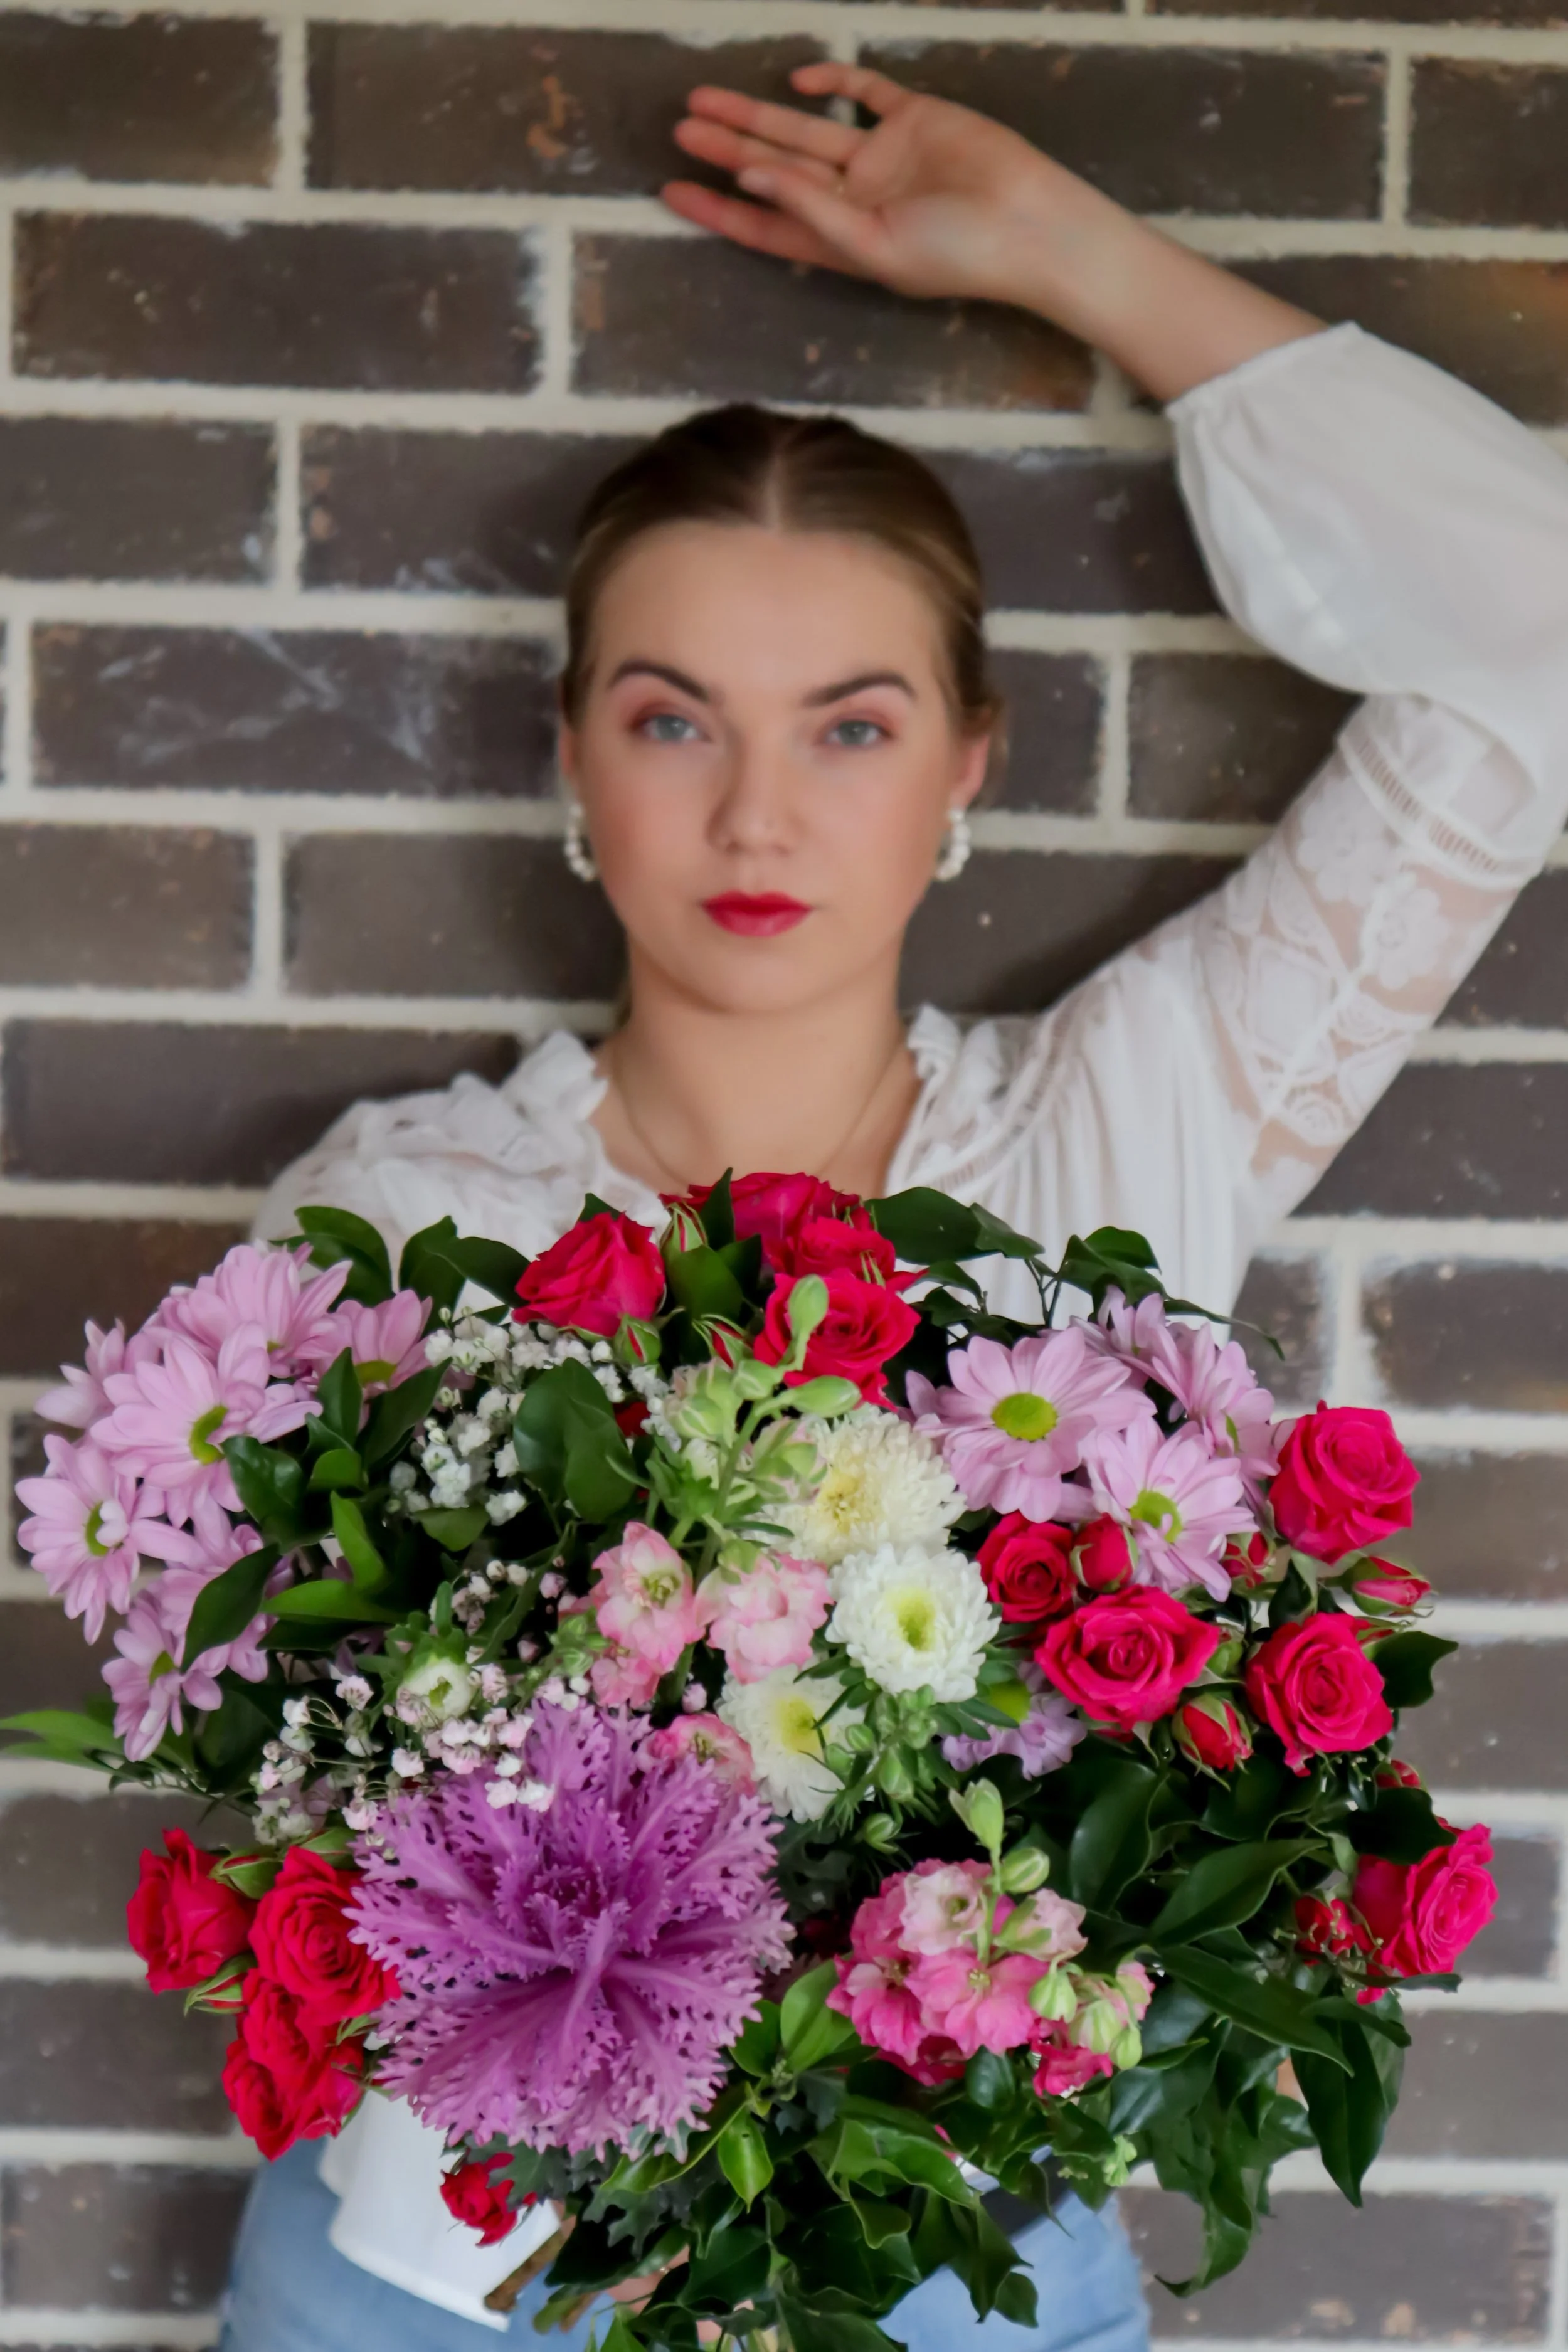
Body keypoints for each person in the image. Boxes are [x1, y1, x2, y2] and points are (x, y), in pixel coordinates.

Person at [218, 61, 1568, 2352]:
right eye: (671, 717)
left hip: (963, 2286)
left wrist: (1080, 258)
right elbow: (293, 1780)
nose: (757, 808)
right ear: (570, 758)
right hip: (432, 2282)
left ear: (966, 767)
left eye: (847, 725)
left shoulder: (1130, 1127)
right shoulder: (402, 1204)